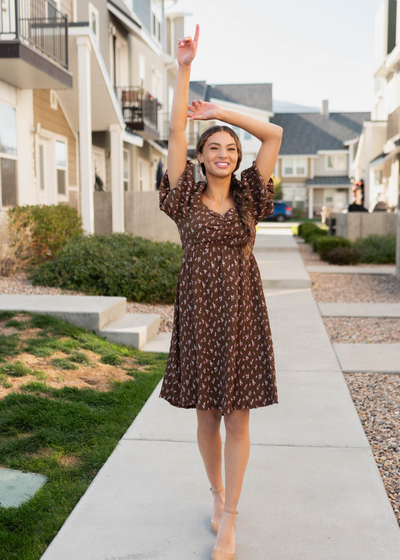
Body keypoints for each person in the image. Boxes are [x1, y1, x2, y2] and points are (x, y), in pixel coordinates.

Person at [158, 24, 282, 560]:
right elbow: (176, 138)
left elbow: (273, 134)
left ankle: (230, 517)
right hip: (199, 312)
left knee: (238, 416)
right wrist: (184, 72)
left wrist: (220, 115)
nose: (225, 153)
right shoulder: (183, 196)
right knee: (207, 415)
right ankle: (215, 494)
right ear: (203, 157)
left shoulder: (252, 195)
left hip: (242, 314)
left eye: (231, 148)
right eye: (215, 148)